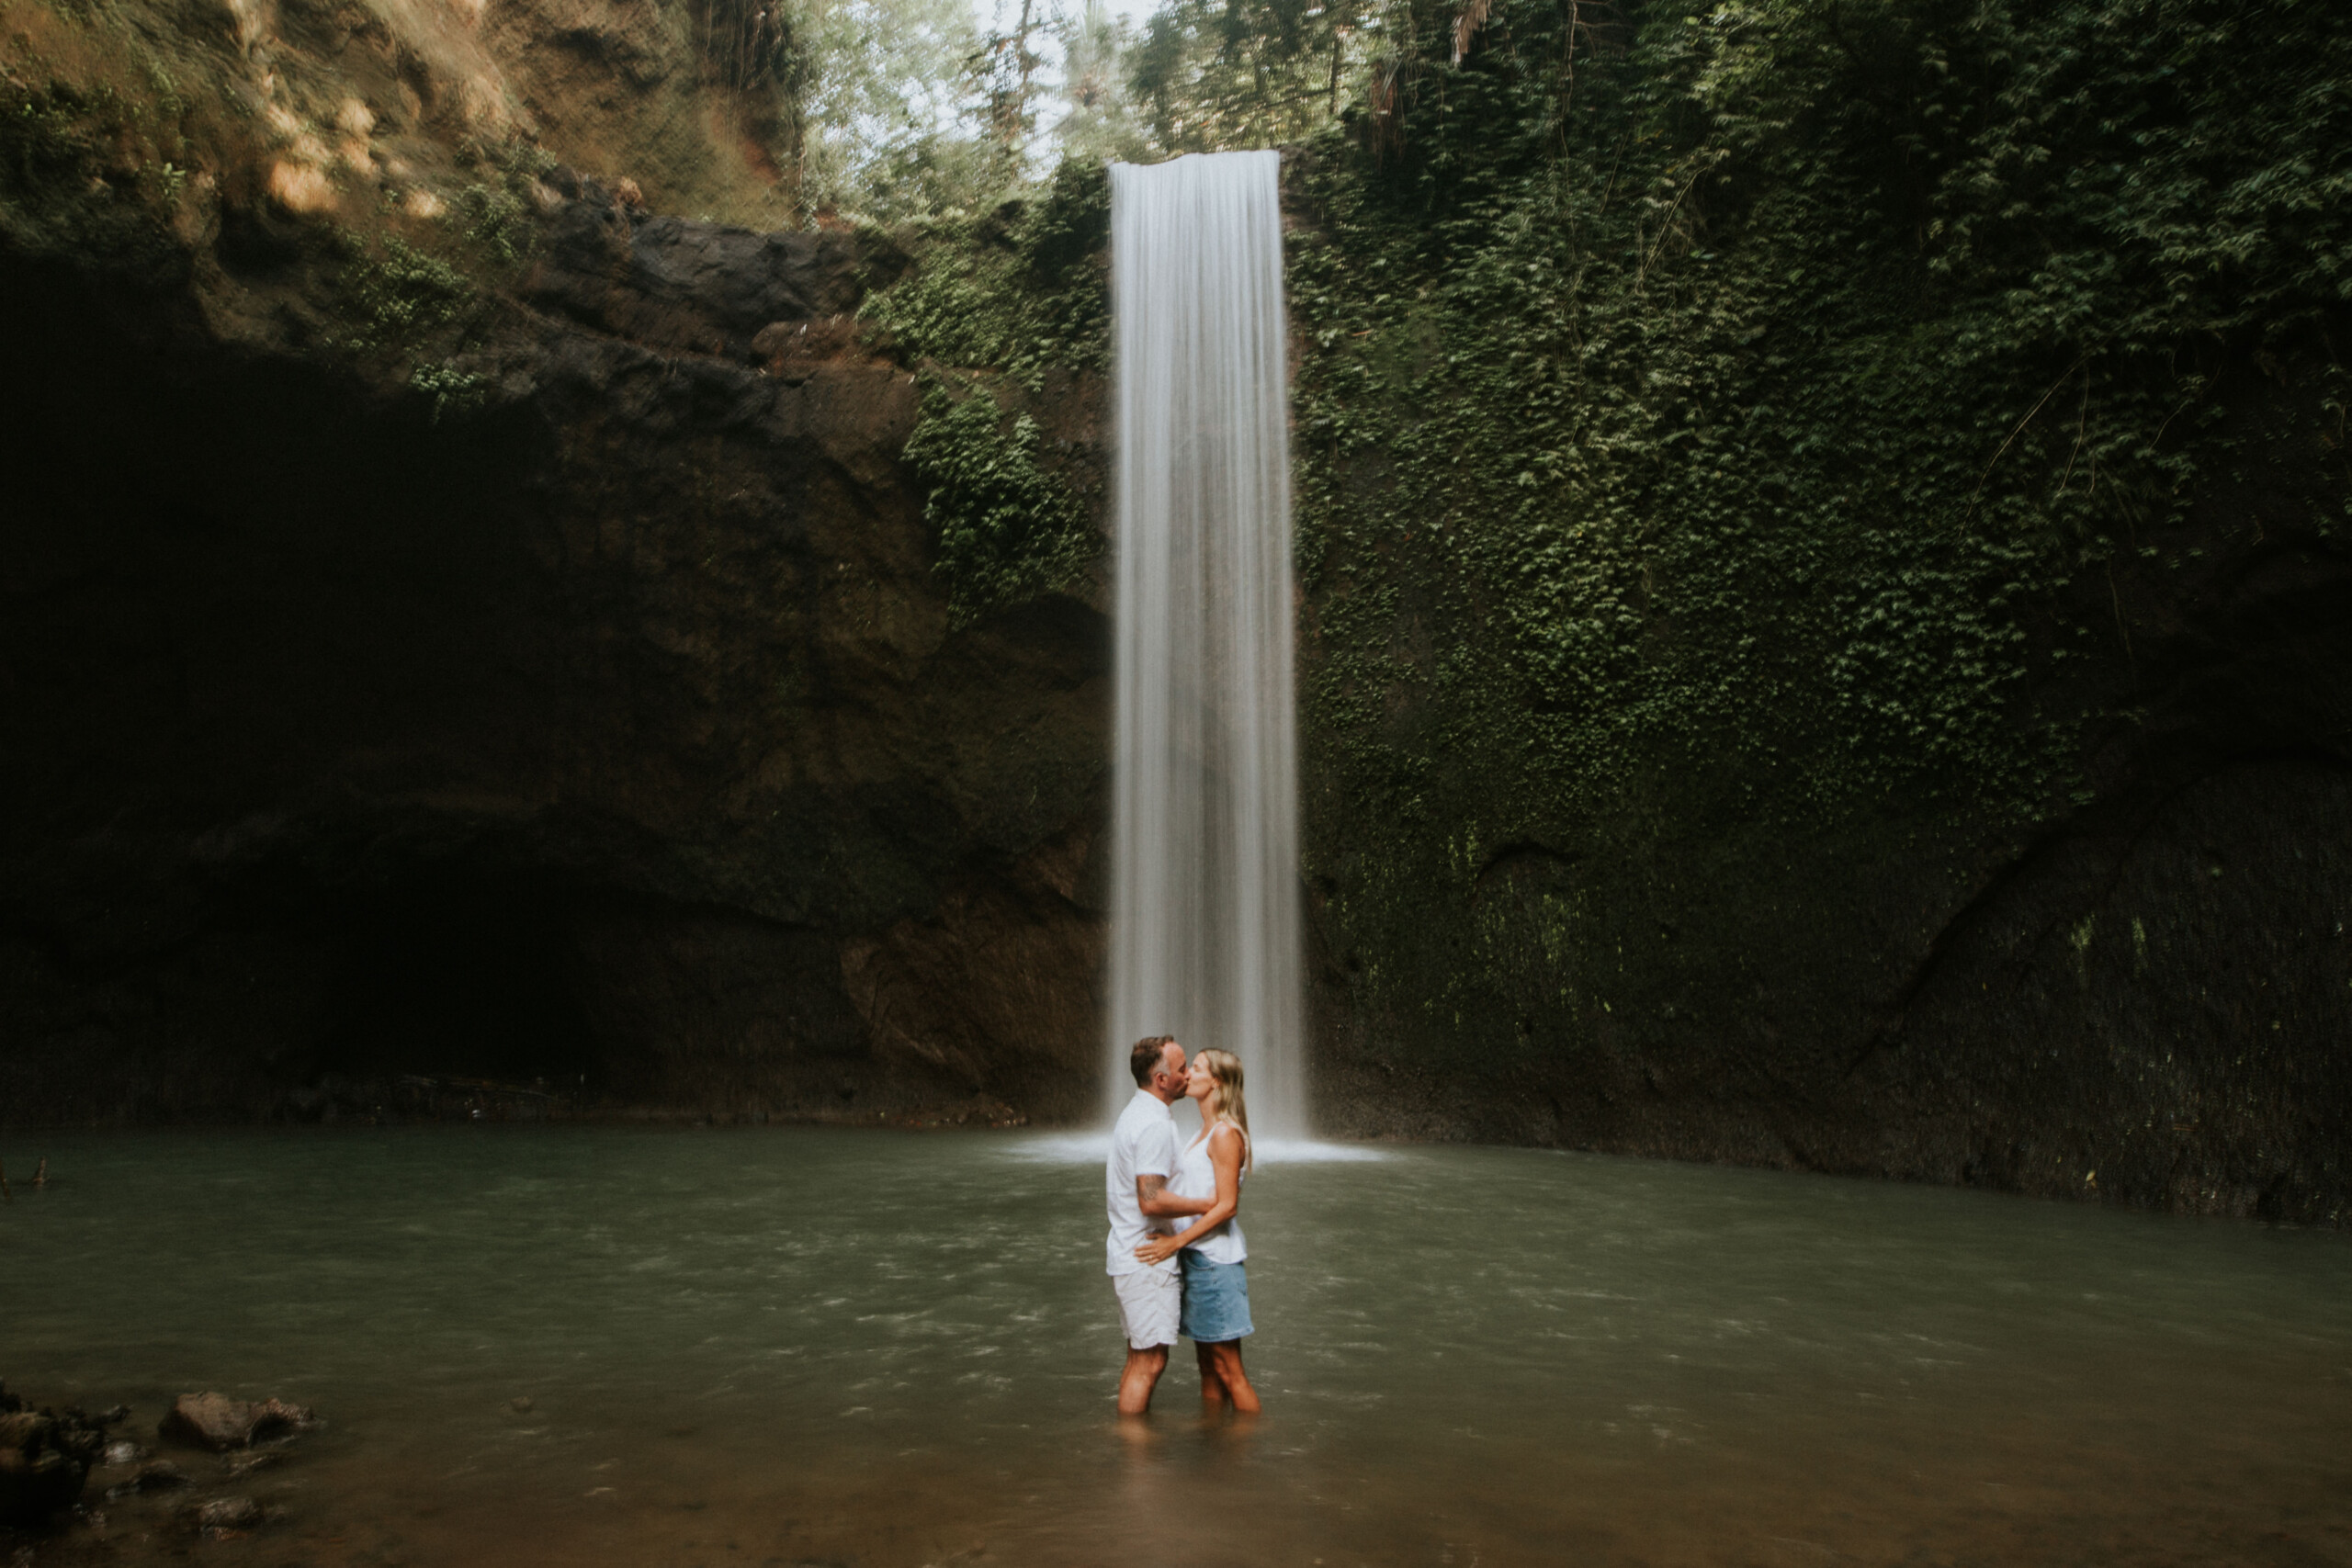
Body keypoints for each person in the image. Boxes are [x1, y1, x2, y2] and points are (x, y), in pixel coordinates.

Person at [1135, 1047, 1259, 1415]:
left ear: (1216, 1082)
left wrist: (1175, 1242)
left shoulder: (1224, 1134)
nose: (1187, 1075)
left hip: (1215, 1263)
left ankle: (1249, 1451)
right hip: (1199, 1260)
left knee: (1229, 1370)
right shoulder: (1202, 1132)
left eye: (1198, 1069)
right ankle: (1218, 1452)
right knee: (1208, 1369)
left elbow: (1227, 1205)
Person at [1106, 1035, 1212, 1416]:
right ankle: (1136, 1457)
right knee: (1149, 1362)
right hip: (1145, 1258)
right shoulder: (1152, 1124)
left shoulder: (1140, 1113)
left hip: (1132, 1253)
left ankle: (1131, 1448)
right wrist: (1207, 1204)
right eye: (1182, 1069)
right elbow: (1150, 1198)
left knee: (1141, 1358)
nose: (1187, 1075)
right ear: (1160, 1079)